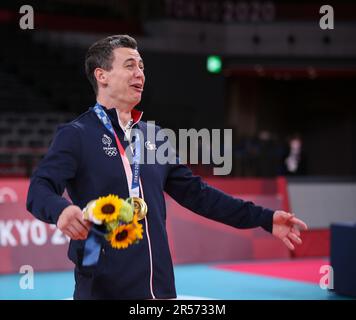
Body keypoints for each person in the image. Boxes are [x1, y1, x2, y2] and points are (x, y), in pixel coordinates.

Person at [26, 35, 308, 300]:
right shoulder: (76, 134)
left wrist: (264, 218)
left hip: (160, 287)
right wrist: (61, 210)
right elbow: (39, 189)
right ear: (102, 76)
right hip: (101, 285)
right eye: (130, 65)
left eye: (142, 66)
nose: (140, 73)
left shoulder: (153, 136)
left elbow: (200, 195)